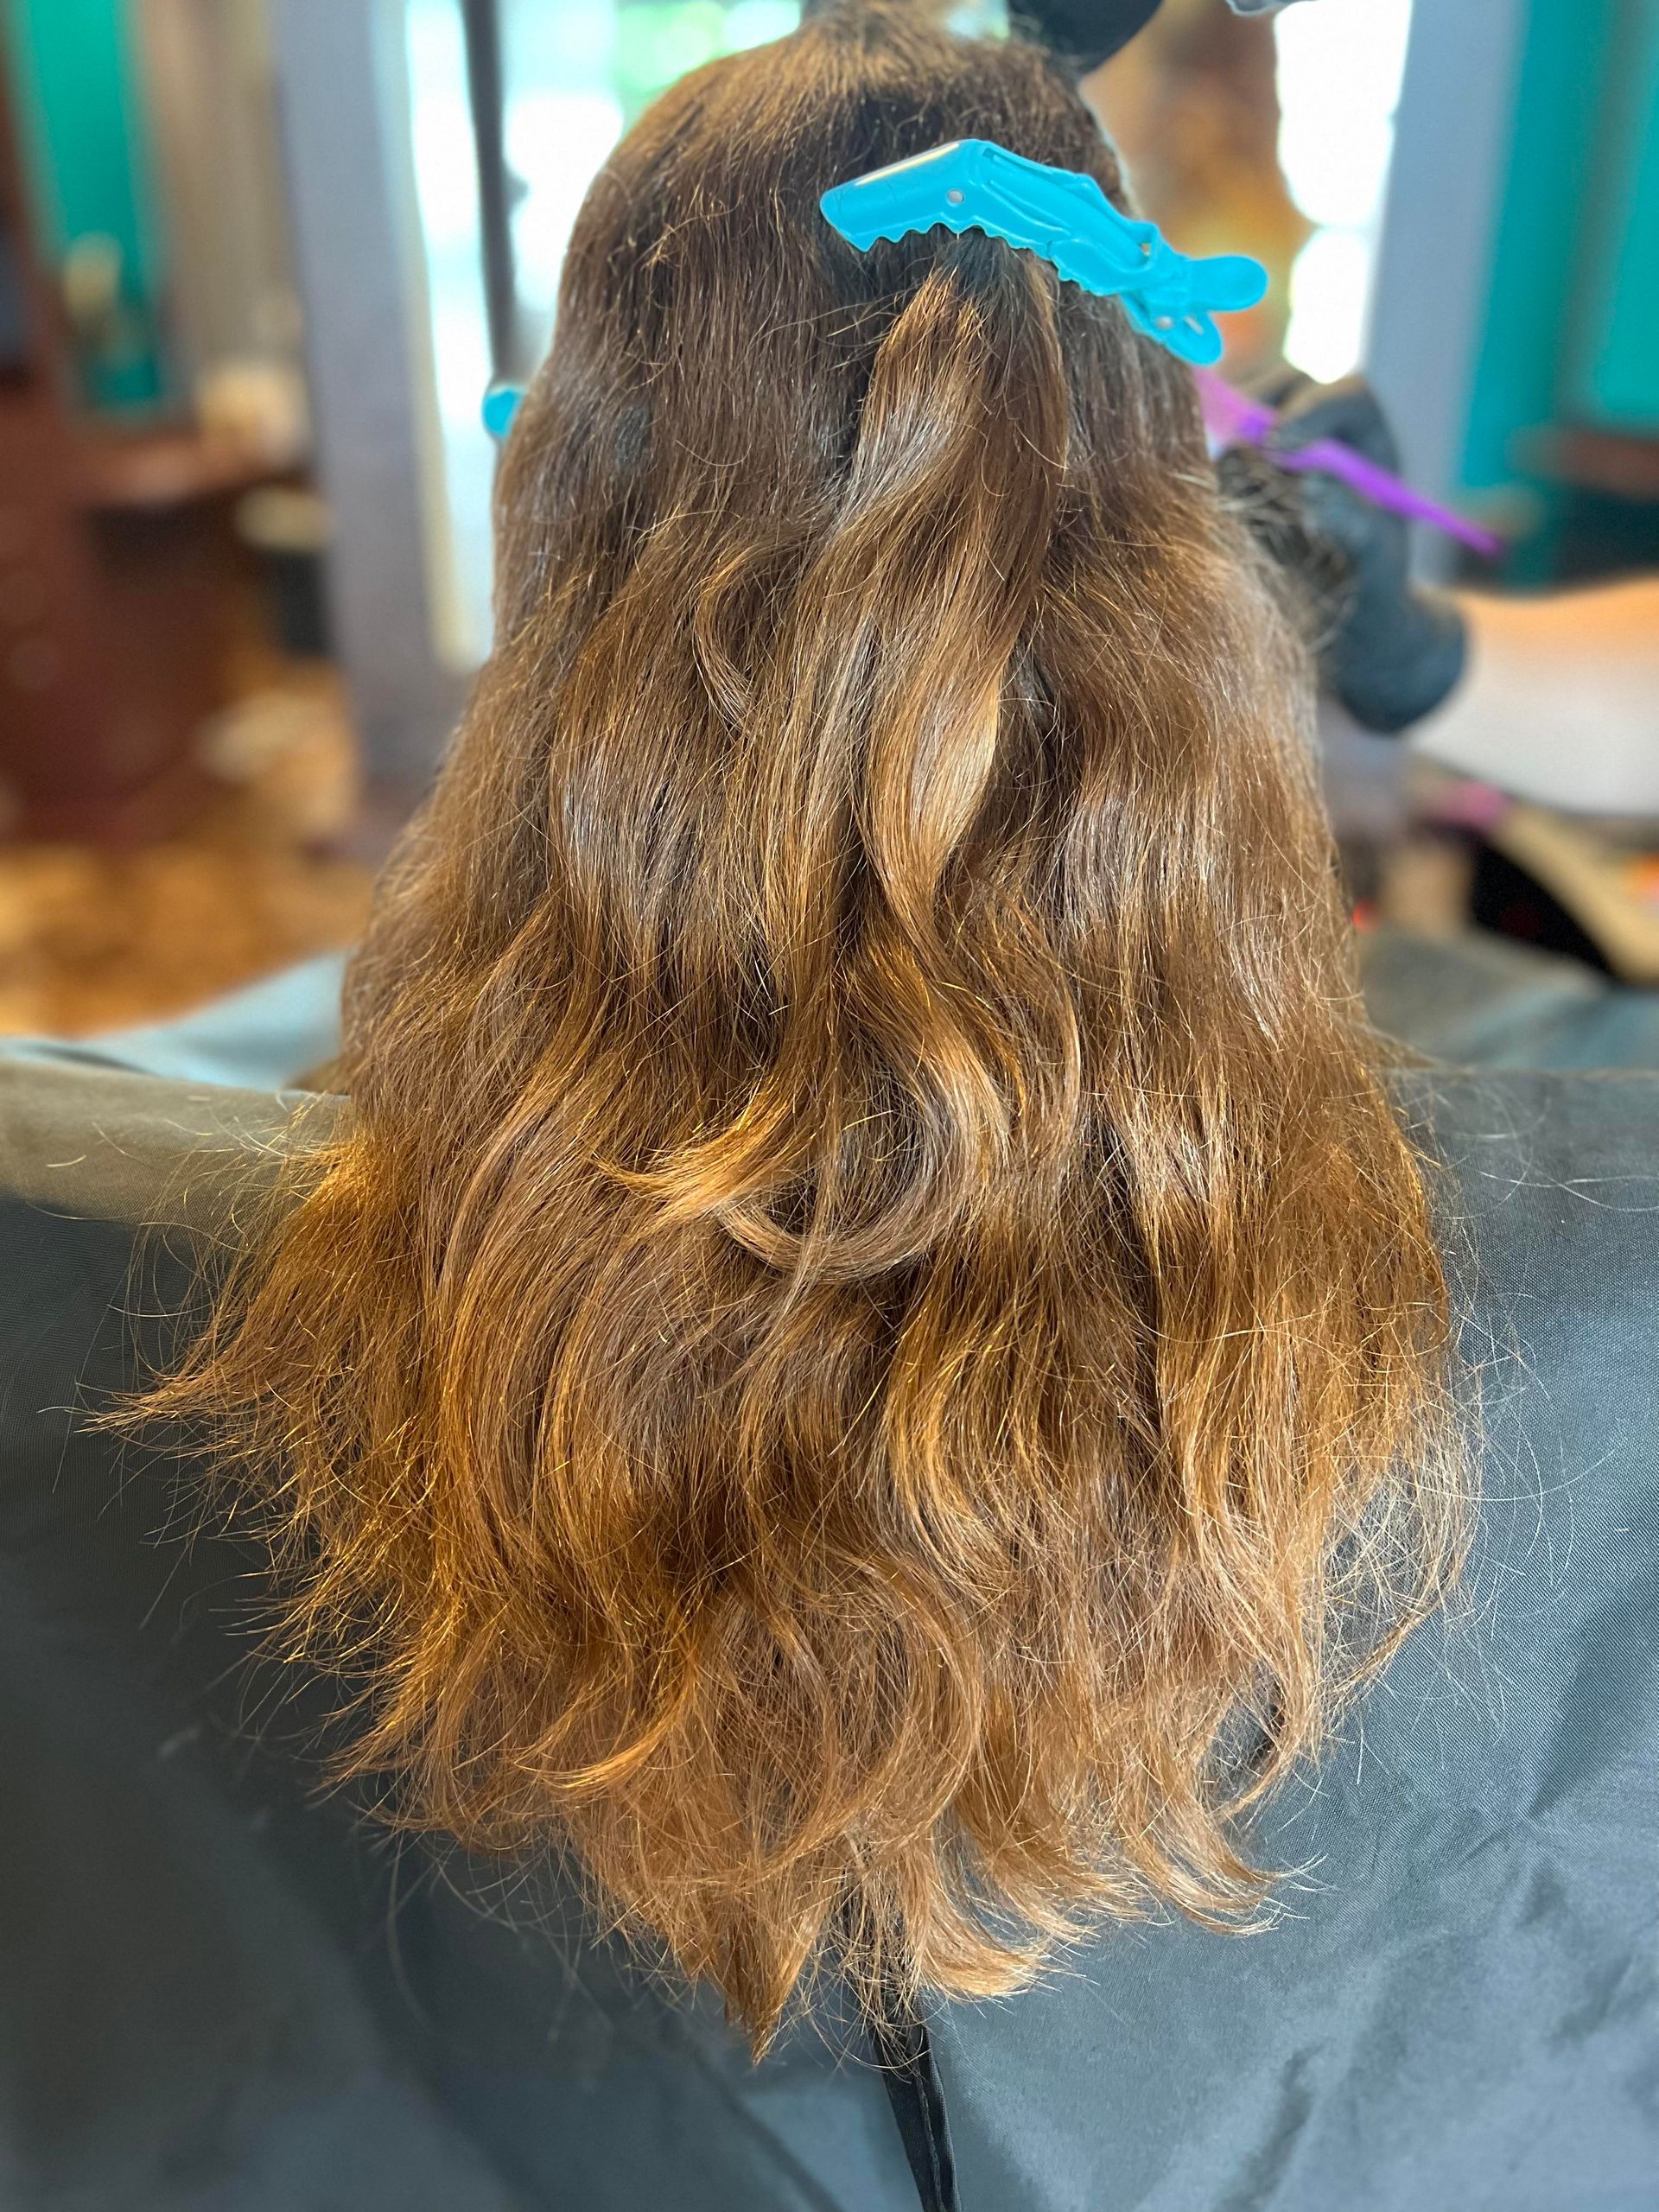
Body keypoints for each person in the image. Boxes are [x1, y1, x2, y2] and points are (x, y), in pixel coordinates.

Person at [1, 10, 1654, 2210]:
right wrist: (1433, 670)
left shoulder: (160, 1229)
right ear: (1174, 564)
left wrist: (1431, 649)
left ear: (572, 520)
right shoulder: (1574, 1282)